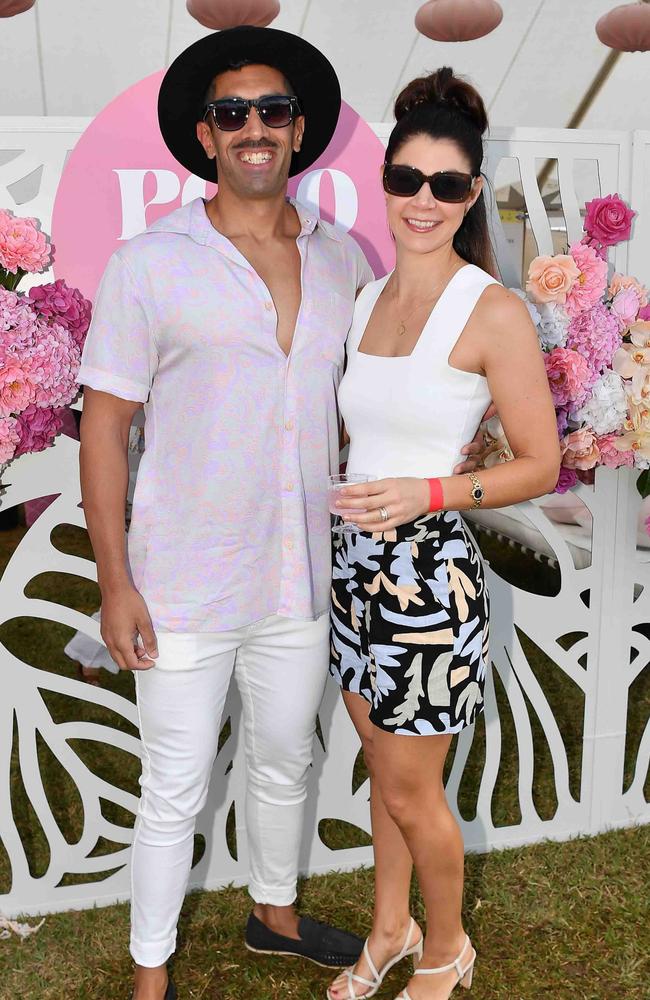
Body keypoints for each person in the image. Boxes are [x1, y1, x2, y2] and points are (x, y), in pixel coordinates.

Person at [78, 28, 484, 1000]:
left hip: (306, 576)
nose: (253, 128)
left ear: (298, 130)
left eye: (271, 111)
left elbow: (389, 387)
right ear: (203, 134)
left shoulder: (345, 258)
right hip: (177, 580)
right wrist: (116, 581)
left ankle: (272, 914)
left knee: (285, 757)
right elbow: (102, 428)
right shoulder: (148, 263)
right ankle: (149, 974)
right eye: (232, 113)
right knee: (172, 785)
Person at [326, 68, 560, 1000]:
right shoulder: (365, 299)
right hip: (354, 570)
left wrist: (432, 491)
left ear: (469, 197)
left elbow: (539, 464)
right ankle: (391, 927)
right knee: (383, 773)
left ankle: (446, 949)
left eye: (448, 185)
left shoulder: (491, 310)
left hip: (426, 579)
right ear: (385, 181)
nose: (423, 201)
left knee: (416, 791)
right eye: (407, 179)